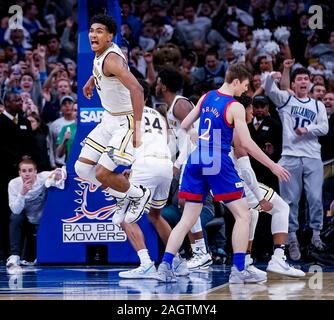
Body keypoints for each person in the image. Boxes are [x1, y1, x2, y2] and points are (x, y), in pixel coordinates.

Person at [155, 63, 290, 284]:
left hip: (196, 158)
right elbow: (245, 143)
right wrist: (272, 165)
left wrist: (195, 137)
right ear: (236, 81)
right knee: (244, 214)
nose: (245, 91)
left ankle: (165, 266)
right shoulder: (235, 106)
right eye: (245, 86)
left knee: (188, 218)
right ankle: (238, 270)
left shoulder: (207, 96)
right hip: (217, 158)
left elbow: (185, 124)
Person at [74, 14, 150, 223]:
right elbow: (106, 71)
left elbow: (138, 89)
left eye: (99, 31)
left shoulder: (112, 59)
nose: (93, 34)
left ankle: (138, 194)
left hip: (124, 122)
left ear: (110, 37)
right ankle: (121, 196)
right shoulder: (102, 55)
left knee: (101, 173)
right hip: (108, 119)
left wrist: (137, 128)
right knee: (81, 168)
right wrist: (92, 79)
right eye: (91, 30)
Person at [114, 80, 187, 279]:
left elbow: (126, 146)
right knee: (155, 215)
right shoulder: (159, 115)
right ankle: (178, 262)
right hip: (164, 165)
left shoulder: (128, 115)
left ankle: (146, 264)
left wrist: (133, 166)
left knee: (124, 216)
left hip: (145, 165)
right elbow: (170, 145)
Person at [234, 94, 305, 277]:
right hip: (237, 181)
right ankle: (278, 258)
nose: (253, 111)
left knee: (251, 214)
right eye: (251, 108)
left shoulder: (225, 126)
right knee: (281, 208)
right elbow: (246, 169)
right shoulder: (238, 132)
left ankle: (244, 264)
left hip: (219, 181)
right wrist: (260, 196)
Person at [263, 67, 329, 260]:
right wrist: (271, 76)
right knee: (290, 202)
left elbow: (324, 128)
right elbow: (270, 90)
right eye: (299, 78)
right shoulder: (286, 100)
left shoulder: (318, 106)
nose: (302, 81)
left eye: (305, 79)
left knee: (315, 198)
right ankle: (292, 239)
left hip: (312, 157)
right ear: (293, 84)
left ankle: (316, 235)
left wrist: (307, 129)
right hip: (290, 157)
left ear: (309, 83)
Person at [155, 68, 212, 270]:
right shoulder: (172, 107)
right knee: (184, 204)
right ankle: (199, 252)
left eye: (158, 81)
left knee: (188, 204)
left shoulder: (180, 104)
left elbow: (194, 134)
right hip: (188, 160)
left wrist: (181, 164)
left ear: (164, 85)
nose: (156, 85)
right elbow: (178, 141)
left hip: (196, 160)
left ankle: (201, 252)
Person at [6, 158, 65, 272]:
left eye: (30, 170)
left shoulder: (43, 178)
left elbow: (61, 171)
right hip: (25, 221)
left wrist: (59, 173)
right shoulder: (14, 184)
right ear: (19, 173)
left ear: (35, 172)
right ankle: (14, 256)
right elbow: (16, 210)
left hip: (42, 220)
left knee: (33, 257)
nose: (27, 174)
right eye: (24, 171)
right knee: (15, 217)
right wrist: (22, 193)